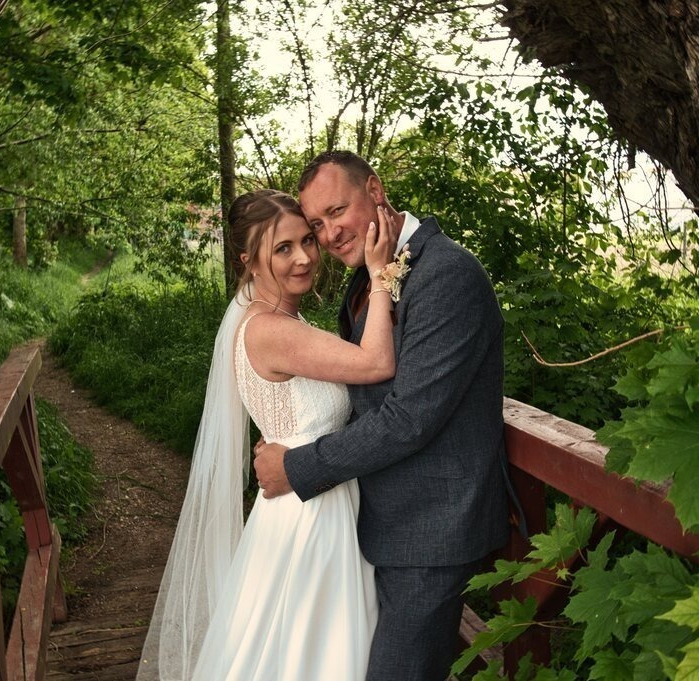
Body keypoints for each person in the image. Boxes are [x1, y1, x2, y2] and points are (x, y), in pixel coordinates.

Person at [255, 151, 512, 681]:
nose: (329, 235)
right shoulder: (371, 275)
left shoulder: (446, 275)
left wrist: (298, 466)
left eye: (336, 211)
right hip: (377, 523)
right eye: (317, 224)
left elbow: (408, 418)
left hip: (432, 531)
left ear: (374, 190)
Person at [137, 188, 399, 680]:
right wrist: (380, 274)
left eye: (307, 240)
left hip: (310, 499)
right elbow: (376, 362)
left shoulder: (277, 320)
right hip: (310, 517)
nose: (304, 258)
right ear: (248, 260)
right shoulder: (269, 330)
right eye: (283, 248)